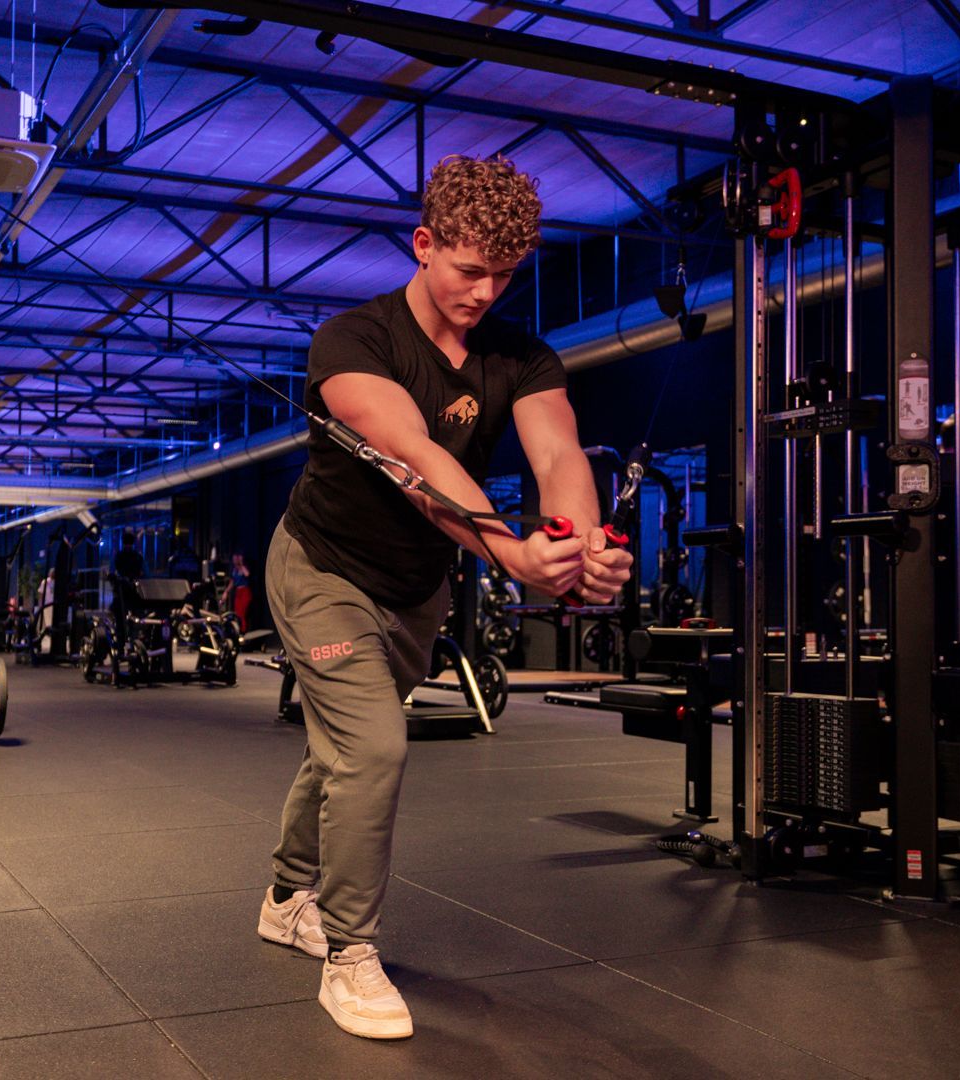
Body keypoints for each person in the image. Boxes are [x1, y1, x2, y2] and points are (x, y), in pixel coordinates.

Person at [255, 154, 633, 1040]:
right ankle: (349, 956)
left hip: (417, 589)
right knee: (376, 746)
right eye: (469, 270)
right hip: (322, 568)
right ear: (424, 246)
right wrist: (512, 554)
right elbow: (422, 465)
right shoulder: (353, 341)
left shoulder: (522, 355)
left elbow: (559, 460)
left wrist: (574, 547)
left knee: (344, 751)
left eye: (505, 275)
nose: (485, 291)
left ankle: (283, 898)